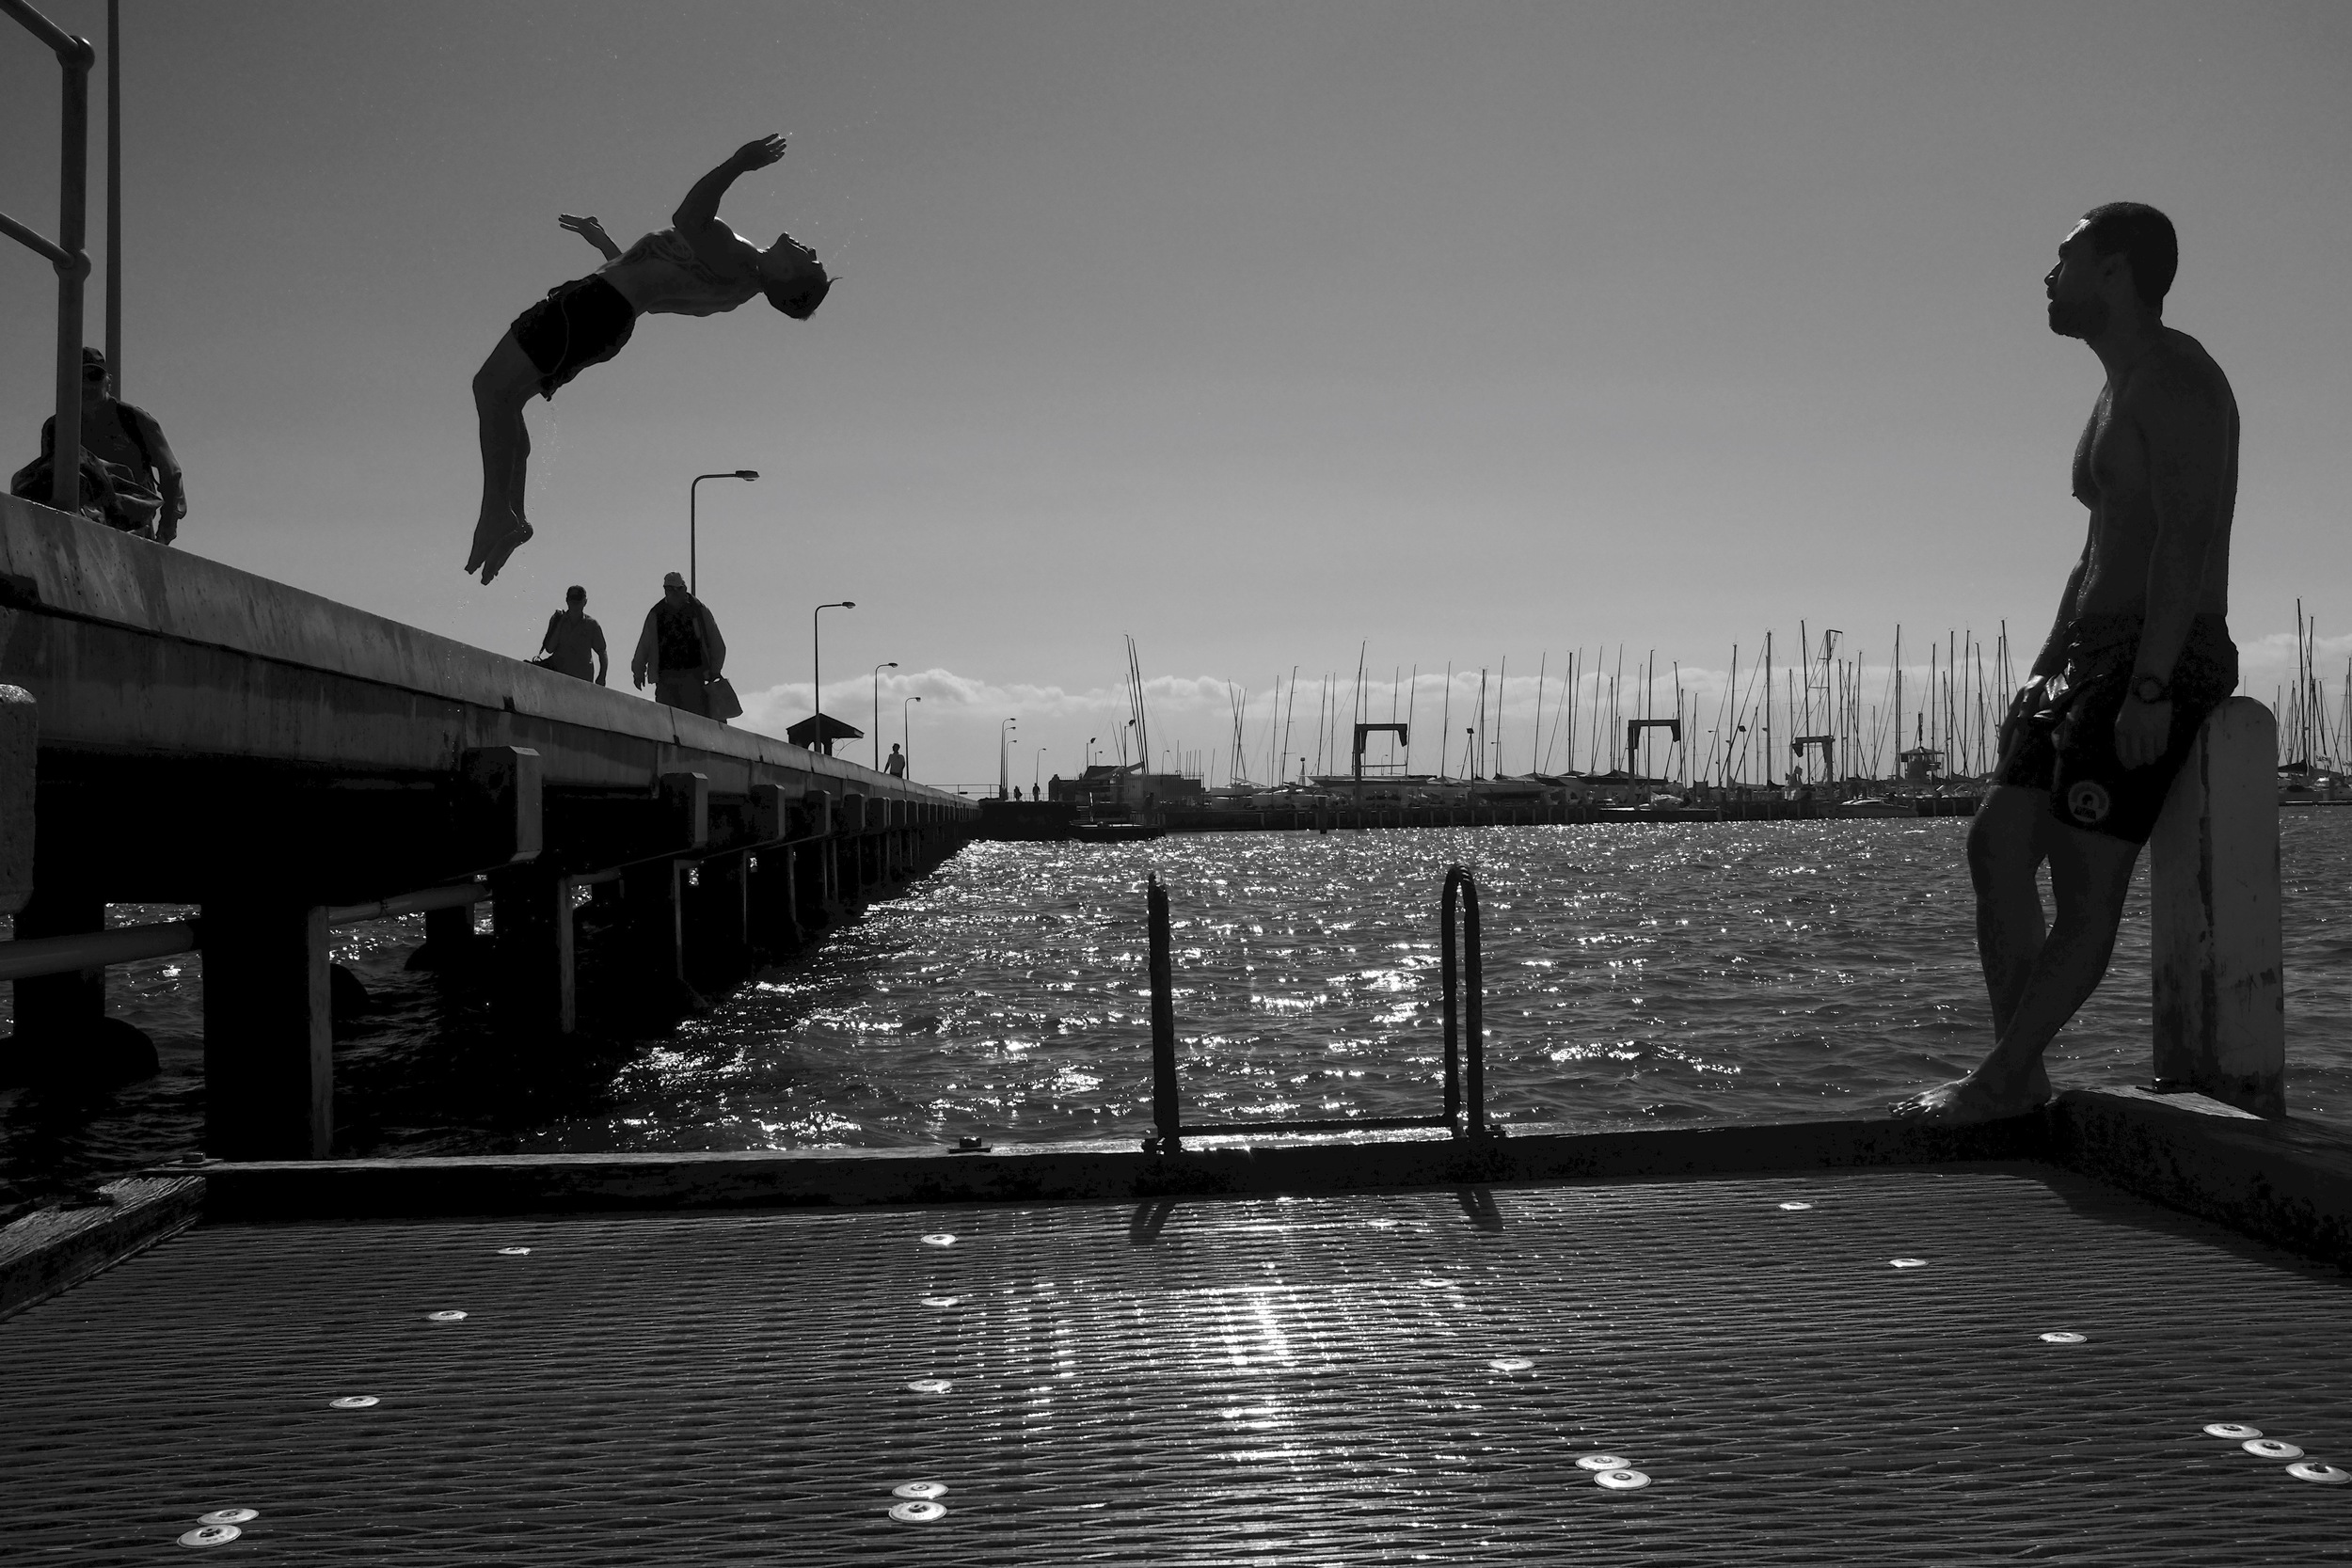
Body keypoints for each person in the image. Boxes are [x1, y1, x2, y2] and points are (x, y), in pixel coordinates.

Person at [1895, 203, 2239, 1123]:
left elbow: (2184, 535)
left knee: (2087, 885)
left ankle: (2000, 1082)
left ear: (2115, 270)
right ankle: (2020, 1075)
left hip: (2156, 649)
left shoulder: (2175, 378)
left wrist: (2152, 683)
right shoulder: (2113, 389)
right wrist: (2041, 668)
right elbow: (2095, 552)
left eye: (2064, 258)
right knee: (1996, 843)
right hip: (2083, 656)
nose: (2047, 277)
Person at [465, 135, 832, 584]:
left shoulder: (740, 263)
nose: (810, 249)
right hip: (606, 315)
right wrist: (603, 244)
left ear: (789, 277)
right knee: (508, 399)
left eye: (811, 260)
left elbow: (687, 218)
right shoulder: (736, 285)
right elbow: (646, 282)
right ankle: (512, 516)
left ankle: (496, 513)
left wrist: (739, 163)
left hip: (592, 307)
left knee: (491, 389)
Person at [22, 347, 185, 541]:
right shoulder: (56, 427)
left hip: (131, 519)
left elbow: (171, 473)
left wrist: (167, 527)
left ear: (108, 381)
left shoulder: (132, 419)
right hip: (81, 519)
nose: (87, 385)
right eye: (80, 377)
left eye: (94, 376)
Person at [631, 572, 727, 718]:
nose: (674, 593)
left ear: (685, 588)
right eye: (670, 589)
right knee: (667, 724)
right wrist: (638, 672)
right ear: (665, 590)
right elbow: (645, 644)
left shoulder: (698, 610)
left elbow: (716, 642)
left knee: (694, 722)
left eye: (678, 589)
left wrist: (715, 670)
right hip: (665, 679)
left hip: (694, 678)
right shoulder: (656, 614)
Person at [536, 585, 608, 684]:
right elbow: (549, 649)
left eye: (578, 599)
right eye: (572, 598)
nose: (575, 602)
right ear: (567, 600)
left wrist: (602, 676)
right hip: (558, 675)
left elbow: (602, 651)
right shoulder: (558, 619)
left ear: (585, 602)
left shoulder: (591, 625)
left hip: (581, 679)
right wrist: (560, 623)